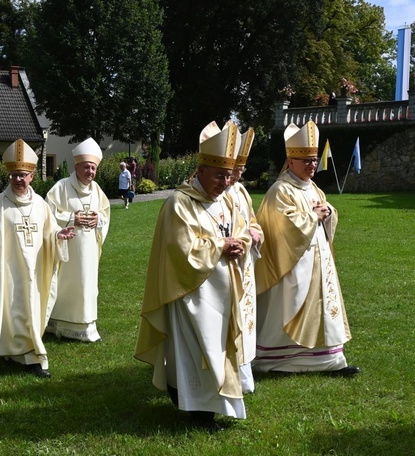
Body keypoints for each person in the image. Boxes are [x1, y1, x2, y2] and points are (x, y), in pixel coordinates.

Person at [134, 120, 252, 431]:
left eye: (228, 175)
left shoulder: (226, 201)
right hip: (191, 296)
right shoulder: (179, 203)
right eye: (218, 175)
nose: (224, 182)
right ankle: (198, 412)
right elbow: (180, 248)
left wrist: (242, 244)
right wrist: (221, 246)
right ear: (200, 171)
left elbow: (240, 230)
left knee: (217, 351)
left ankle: (208, 409)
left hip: (224, 295)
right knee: (197, 353)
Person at [0, 139, 76, 378]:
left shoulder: (41, 205)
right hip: (9, 270)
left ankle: (29, 354)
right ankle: (23, 353)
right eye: (14, 176)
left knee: (30, 309)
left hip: (35, 270)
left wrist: (58, 236)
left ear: (32, 176)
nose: (18, 180)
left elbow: (50, 232)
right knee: (14, 310)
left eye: (23, 175)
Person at [252, 120, 359, 377]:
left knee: (325, 303)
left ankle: (330, 360)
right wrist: (313, 216)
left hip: (318, 260)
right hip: (290, 265)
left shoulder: (312, 187)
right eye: (307, 161)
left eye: (314, 160)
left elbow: (324, 211)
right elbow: (282, 226)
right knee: (291, 303)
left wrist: (328, 212)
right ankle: (277, 361)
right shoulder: (280, 190)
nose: (312, 165)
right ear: (291, 163)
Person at [45, 137, 111, 342]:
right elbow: (48, 214)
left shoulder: (97, 190)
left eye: (93, 168)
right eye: (86, 167)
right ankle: (61, 324)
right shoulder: (61, 187)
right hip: (67, 248)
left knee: (88, 285)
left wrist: (97, 219)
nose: (90, 172)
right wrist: (72, 218)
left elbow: (106, 213)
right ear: (76, 166)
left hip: (89, 248)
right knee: (66, 284)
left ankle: (87, 326)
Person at [224, 128, 263, 394]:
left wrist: (256, 232)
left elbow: (252, 220)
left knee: (245, 315)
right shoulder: (218, 190)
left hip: (245, 263)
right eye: (236, 167)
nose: (239, 174)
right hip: (226, 261)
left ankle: (245, 372)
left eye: (242, 168)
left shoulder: (240, 191)